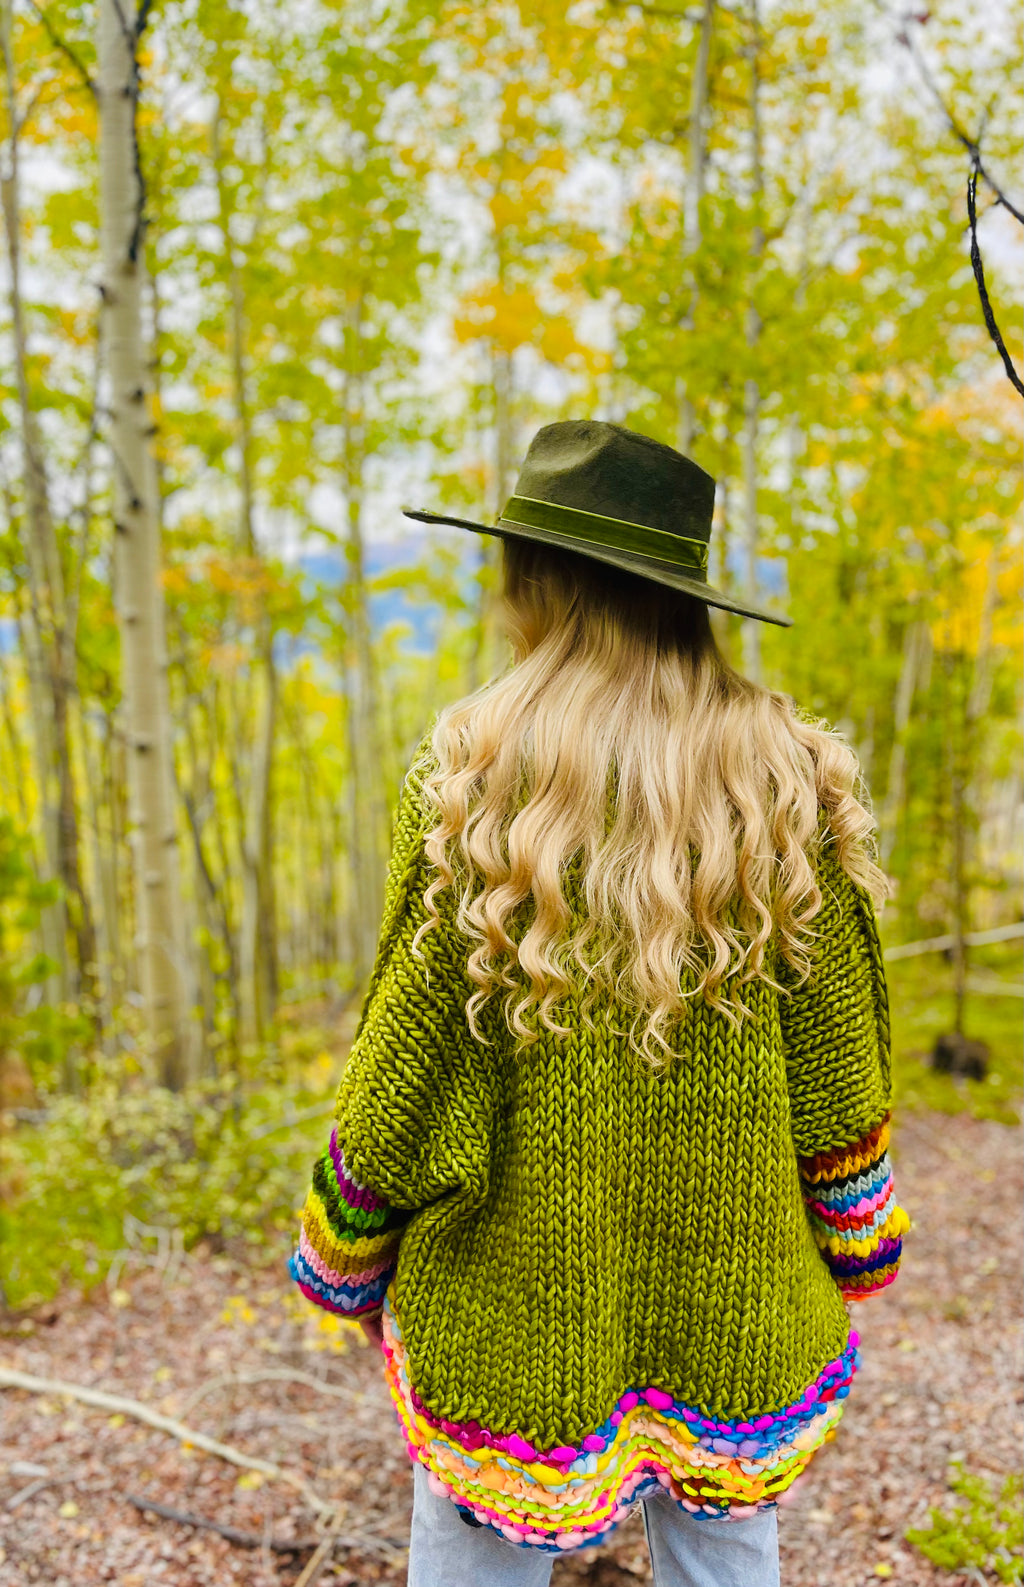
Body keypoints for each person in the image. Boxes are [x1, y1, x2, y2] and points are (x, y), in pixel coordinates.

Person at [290, 421, 910, 1587]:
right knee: (725, 1557)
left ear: (535, 578)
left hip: (505, 1317)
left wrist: (345, 1247)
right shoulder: (785, 784)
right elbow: (839, 1077)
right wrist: (856, 1240)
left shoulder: (475, 786)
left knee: (475, 1561)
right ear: (688, 597)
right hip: (738, 1302)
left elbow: (407, 1076)